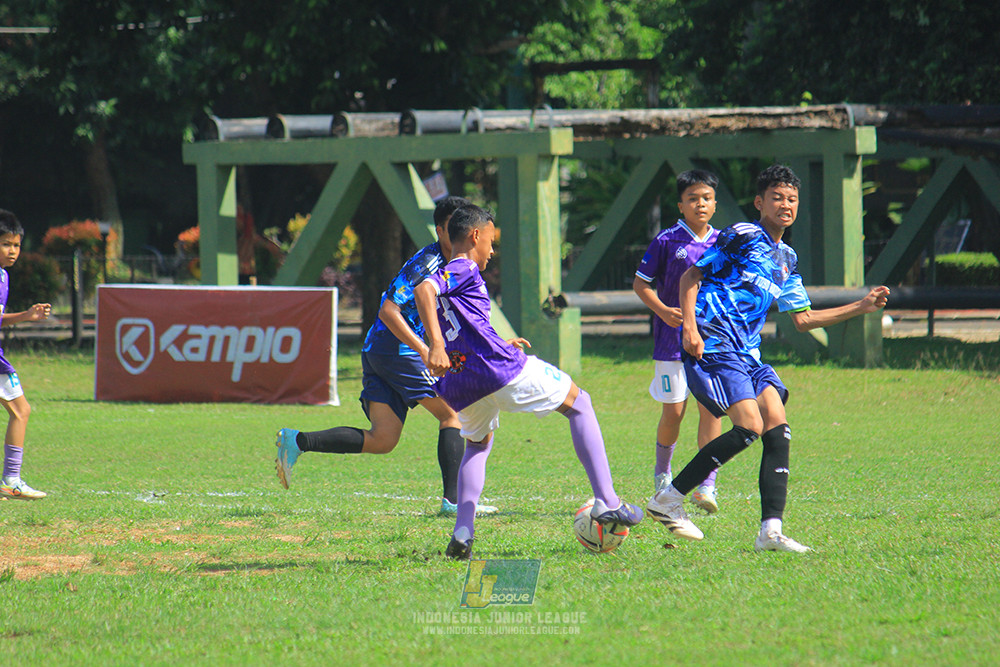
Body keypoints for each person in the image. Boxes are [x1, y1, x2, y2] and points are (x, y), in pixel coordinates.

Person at [645, 164, 890, 553]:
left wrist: (862, 306)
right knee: (749, 426)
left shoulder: (786, 258)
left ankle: (770, 533)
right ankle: (668, 498)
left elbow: (804, 320)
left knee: (777, 426)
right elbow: (691, 278)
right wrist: (690, 328)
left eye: (792, 199)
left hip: (747, 352)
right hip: (716, 340)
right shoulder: (743, 235)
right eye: (777, 197)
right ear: (760, 203)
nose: (785, 205)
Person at [414, 204, 643, 560]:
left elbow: (464, 324)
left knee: (477, 445)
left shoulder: (454, 273)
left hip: (462, 383)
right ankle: (608, 501)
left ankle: (462, 533)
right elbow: (423, 290)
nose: (492, 250)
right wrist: (437, 345)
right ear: (476, 235)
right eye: (491, 241)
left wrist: (496, 342)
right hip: (496, 370)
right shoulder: (463, 266)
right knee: (580, 403)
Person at [274, 196, 496, 515]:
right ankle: (454, 502)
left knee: (383, 439)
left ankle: (297, 441)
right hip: (396, 350)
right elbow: (388, 310)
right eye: (452, 226)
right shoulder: (429, 264)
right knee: (453, 414)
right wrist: (425, 349)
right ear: (440, 231)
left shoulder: (458, 268)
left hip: (379, 350)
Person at [633, 169, 723, 512]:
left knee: (711, 408)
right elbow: (641, 284)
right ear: (680, 205)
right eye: (692, 198)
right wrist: (662, 310)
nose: (700, 204)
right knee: (673, 411)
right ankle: (662, 474)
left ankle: (707, 484)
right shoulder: (666, 241)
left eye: (706, 198)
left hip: (713, 340)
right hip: (671, 341)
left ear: (715, 204)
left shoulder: (723, 242)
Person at [0, 210, 52, 501]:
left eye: (17, 245)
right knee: (21, 411)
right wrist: (25, 316)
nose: (13, 251)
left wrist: (26, 316)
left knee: (20, 410)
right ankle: (11, 480)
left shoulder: (3, 275)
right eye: (6, 244)